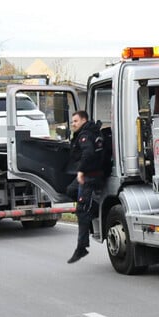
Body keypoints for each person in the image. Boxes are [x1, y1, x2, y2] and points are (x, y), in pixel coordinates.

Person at [65, 110, 106, 264]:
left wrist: (81, 171)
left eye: (75, 121)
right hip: (91, 173)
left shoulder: (85, 136)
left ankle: (81, 248)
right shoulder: (92, 131)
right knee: (70, 190)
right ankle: (94, 208)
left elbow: (88, 153)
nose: (73, 124)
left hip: (90, 176)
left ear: (83, 120)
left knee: (81, 211)